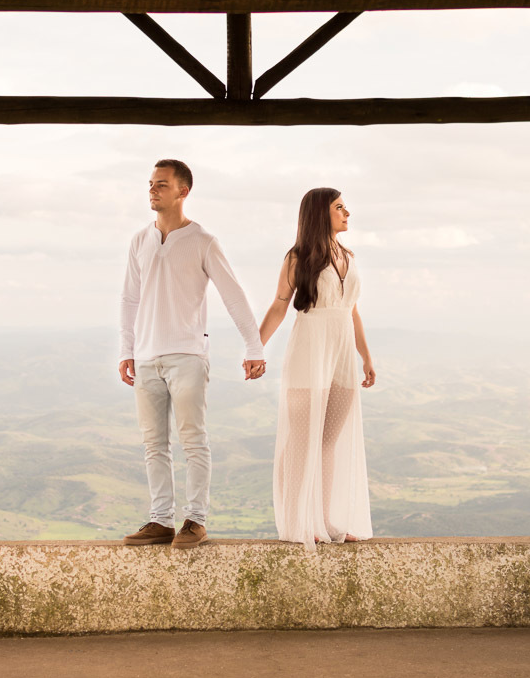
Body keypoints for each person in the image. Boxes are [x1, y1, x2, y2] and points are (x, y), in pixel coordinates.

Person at [118, 159, 266, 550]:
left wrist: (254, 346)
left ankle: (195, 520)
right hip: (147, 357)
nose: (152, 190)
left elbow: (232, 293)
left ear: (183, 191)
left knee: (193, 441)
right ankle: (161, 520)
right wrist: (126, 349)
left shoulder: (203, 241)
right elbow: (130, 299)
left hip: (187, 355)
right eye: (150, 183)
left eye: (161, 185)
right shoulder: (139, 240)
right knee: (154, 444)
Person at [258, 188, 375, 551]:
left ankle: (324, 521)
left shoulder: (348, 256)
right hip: (310, 349)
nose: (347, 213)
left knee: (328, 442)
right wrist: (254, 347)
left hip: (341, 353)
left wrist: (366, 357)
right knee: (301, 440)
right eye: (340, 207)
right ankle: (298, 522)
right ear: (319, 213)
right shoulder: (298, 256)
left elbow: (351, 309)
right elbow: (280, 304)